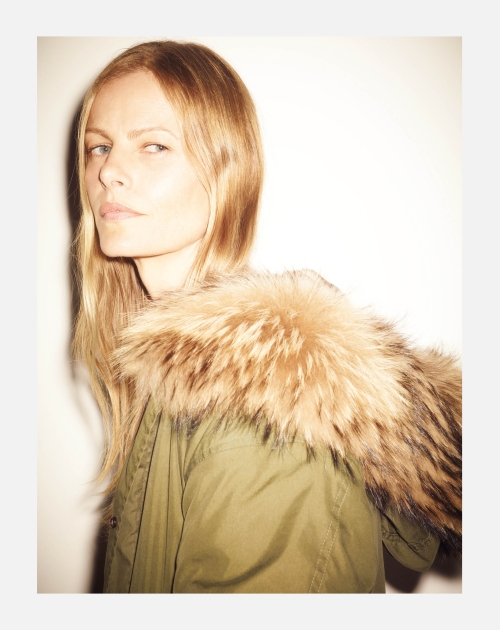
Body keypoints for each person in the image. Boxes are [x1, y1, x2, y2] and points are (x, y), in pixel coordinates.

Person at [72, 40, 462, 593]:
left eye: (154, 145)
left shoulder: (259, 415)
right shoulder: (179, 375)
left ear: (226, 170)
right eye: (99, 147)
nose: (109, 171)